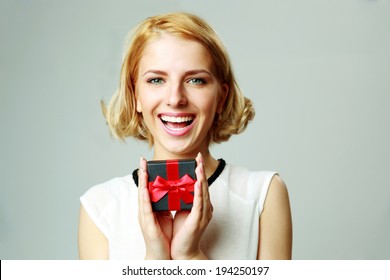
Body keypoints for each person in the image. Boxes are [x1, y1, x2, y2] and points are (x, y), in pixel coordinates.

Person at [78, 12, 292, 260]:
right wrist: (155, 259)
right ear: (135, 95)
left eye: (195, 80)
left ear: (220, 98)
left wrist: (190, 256)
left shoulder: (263, 194)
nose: (175, 98)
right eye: (156, 80)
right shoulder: (100, 206)